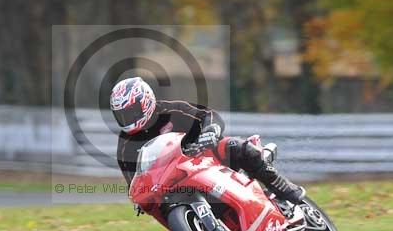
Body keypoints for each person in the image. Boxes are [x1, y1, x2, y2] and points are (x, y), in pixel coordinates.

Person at [111, 76, 306, 205]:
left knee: (237, 147)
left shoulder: (171, 110)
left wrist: (210, 131)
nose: (128, 119)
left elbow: (208, 115)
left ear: (145, 102)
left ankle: (283, 187)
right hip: (175, 181)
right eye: (122, 115)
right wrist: (141, 199)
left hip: (206, 156)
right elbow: (134, 182)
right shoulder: (125, 145)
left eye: (130, 112)